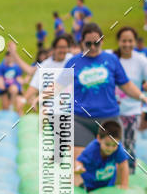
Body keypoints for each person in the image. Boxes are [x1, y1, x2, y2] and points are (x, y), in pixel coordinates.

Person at [63, 22, 147, 161]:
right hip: (80, 120)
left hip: (108, 120)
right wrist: (41, 99)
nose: (93, 47)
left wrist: (141, 97)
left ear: (102, 40)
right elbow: (59, 86)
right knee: (80, 162)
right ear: (82, 42)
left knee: (110, 161)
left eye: (97, 43)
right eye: (88, 44)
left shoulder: (111, 60)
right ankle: (81, 183)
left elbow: (125, 85)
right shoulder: (73, 62)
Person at [111, 26, 147, 174]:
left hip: (131, 112)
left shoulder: (140, 60)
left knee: (129, 148)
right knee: (110, 146)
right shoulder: (112, 58)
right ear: (119, 41)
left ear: (134, 41)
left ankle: (128, 178)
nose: (127, 44)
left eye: (130, 41)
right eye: (123, 40)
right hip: (111, 112)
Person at [19, 34, 73, 110]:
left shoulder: (71, 60)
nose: (63, 50)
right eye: (60, 47)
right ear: (54, 49)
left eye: (65, 47)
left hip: (69, 107)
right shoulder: (45, 65)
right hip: (51, 108)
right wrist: (23, 100)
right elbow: (34, 85)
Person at [74, 121, 130, 192]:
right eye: (107, 144)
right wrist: (79, 167)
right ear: (99, 139)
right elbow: (79, 161)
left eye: (114, 145)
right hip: (90, 185)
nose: (110, 148)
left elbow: (124, 163)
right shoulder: (92, 149)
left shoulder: (118, 148)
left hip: (108, 184)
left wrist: (124, 184)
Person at [0, 49, 25, 113]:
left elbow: (18, 77)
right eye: (8, 56)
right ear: (5, 57)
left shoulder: (16, 67)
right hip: (5, 87)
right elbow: (0, 77)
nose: (9, 58)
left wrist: (22, 82)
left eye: (11, 57)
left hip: (14, 87)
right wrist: (1, 84)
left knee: (14, 90)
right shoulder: (1, 66)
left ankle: (11, 106)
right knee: (5, 108)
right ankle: (7, 113)